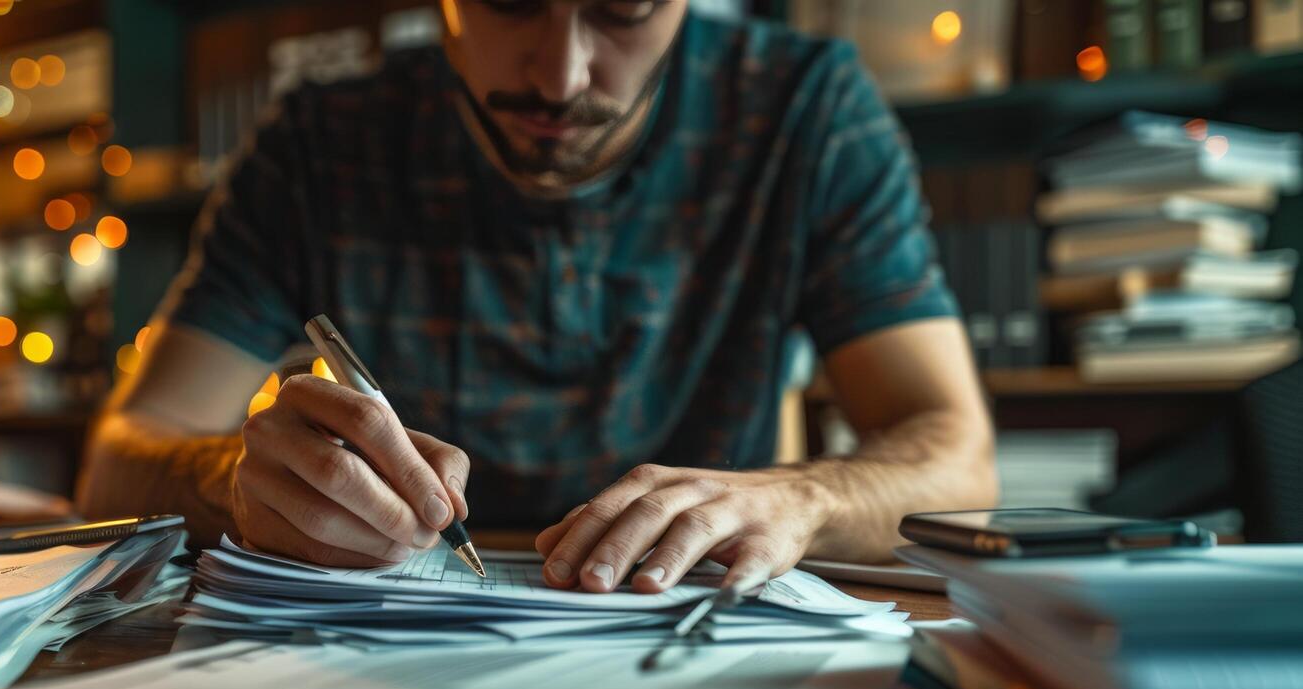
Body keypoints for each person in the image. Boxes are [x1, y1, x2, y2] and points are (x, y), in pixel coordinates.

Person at [78, 0, 996, 596]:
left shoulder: (804, 111)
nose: (558, 78)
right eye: (509, 2)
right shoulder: (320, 145)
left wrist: (804, 499)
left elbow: (956, 458)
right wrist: (240, 485)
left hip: (690, 643)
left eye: (623, 10)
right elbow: (119, 460)